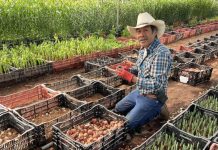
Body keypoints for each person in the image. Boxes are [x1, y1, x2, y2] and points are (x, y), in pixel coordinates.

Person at [113, 12, 172, 133]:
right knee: (118, 109)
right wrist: (128, 69)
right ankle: (155, 110)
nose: (141, 35)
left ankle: (158, 108)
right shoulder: (143, 49)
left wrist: (131, 78)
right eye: (139, 31)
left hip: (152, 97)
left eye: (145, 30)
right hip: (140, 91)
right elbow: (141, 71)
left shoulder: (161, 53)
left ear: (154, 32)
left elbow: (156, 85)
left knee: (125, 126)